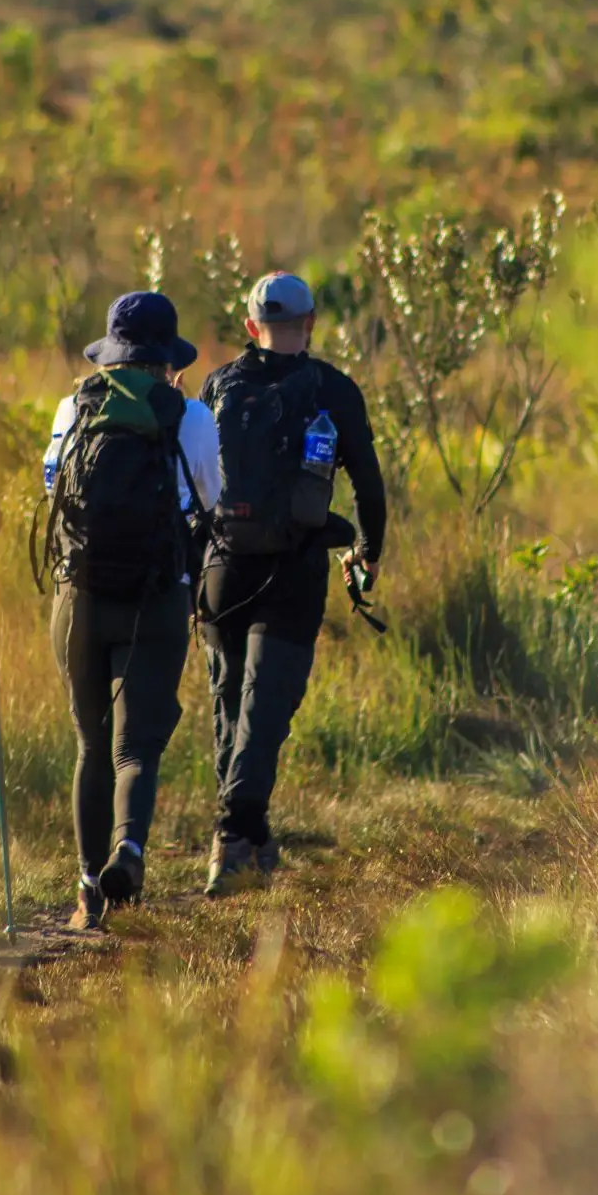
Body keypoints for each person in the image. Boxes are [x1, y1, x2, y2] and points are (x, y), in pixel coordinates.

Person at [199, 271, 386, 895]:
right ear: (309, 324)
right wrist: (367, 550)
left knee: (231, 701)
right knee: (266, 705)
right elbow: (367, 481)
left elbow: (195, 481)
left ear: (251, 328)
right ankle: (234, 835)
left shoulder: (217, 383)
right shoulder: (333, 388)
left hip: (220, 566)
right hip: (294, 566)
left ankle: (248, 841)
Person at [42, 292, 219, 931]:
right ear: (167, 359)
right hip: (156, 597)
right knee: (135, 746)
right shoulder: (191, 416)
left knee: (90, 743)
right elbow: (210, 500)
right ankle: (130, 850)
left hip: (78, 598)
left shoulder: (72, 407)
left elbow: (52, 487)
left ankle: (89, 889)